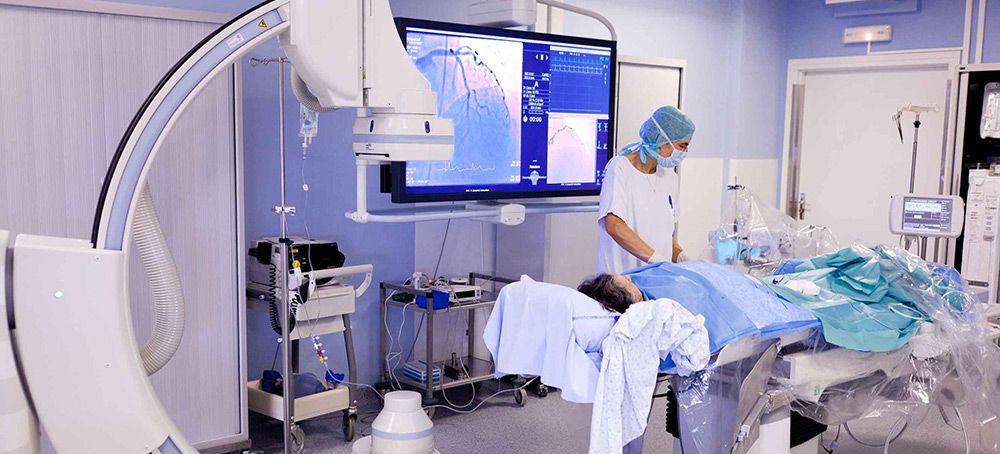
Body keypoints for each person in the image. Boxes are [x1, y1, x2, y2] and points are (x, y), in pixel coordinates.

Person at [597, 106, 695, 274]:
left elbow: (662, 237)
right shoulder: (620, 168)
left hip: (656, 280)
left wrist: (681, 257)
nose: (685, 152)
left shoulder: (670, 178)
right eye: (683, 145)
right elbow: (614, 225)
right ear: (663, 139)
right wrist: (656, 260)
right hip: (621, 280)